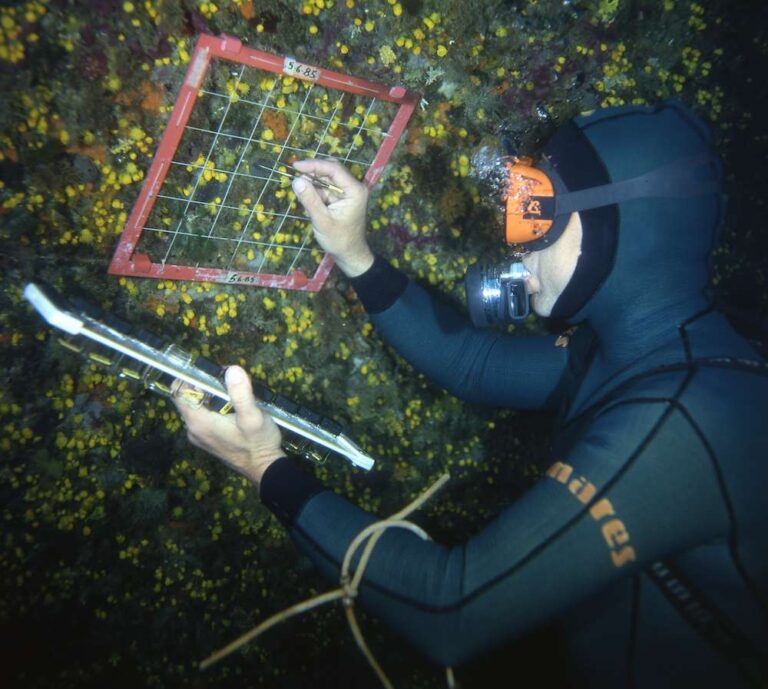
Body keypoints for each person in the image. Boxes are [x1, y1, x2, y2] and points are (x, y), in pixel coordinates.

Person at [173, 101, 768, 688]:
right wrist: (353, 253)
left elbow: (451, 608)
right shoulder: (649, 358)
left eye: (540, 211)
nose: (518, 240)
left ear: (624, 229)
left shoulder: (691, 419)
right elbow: (472, 362)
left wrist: (263, 467)